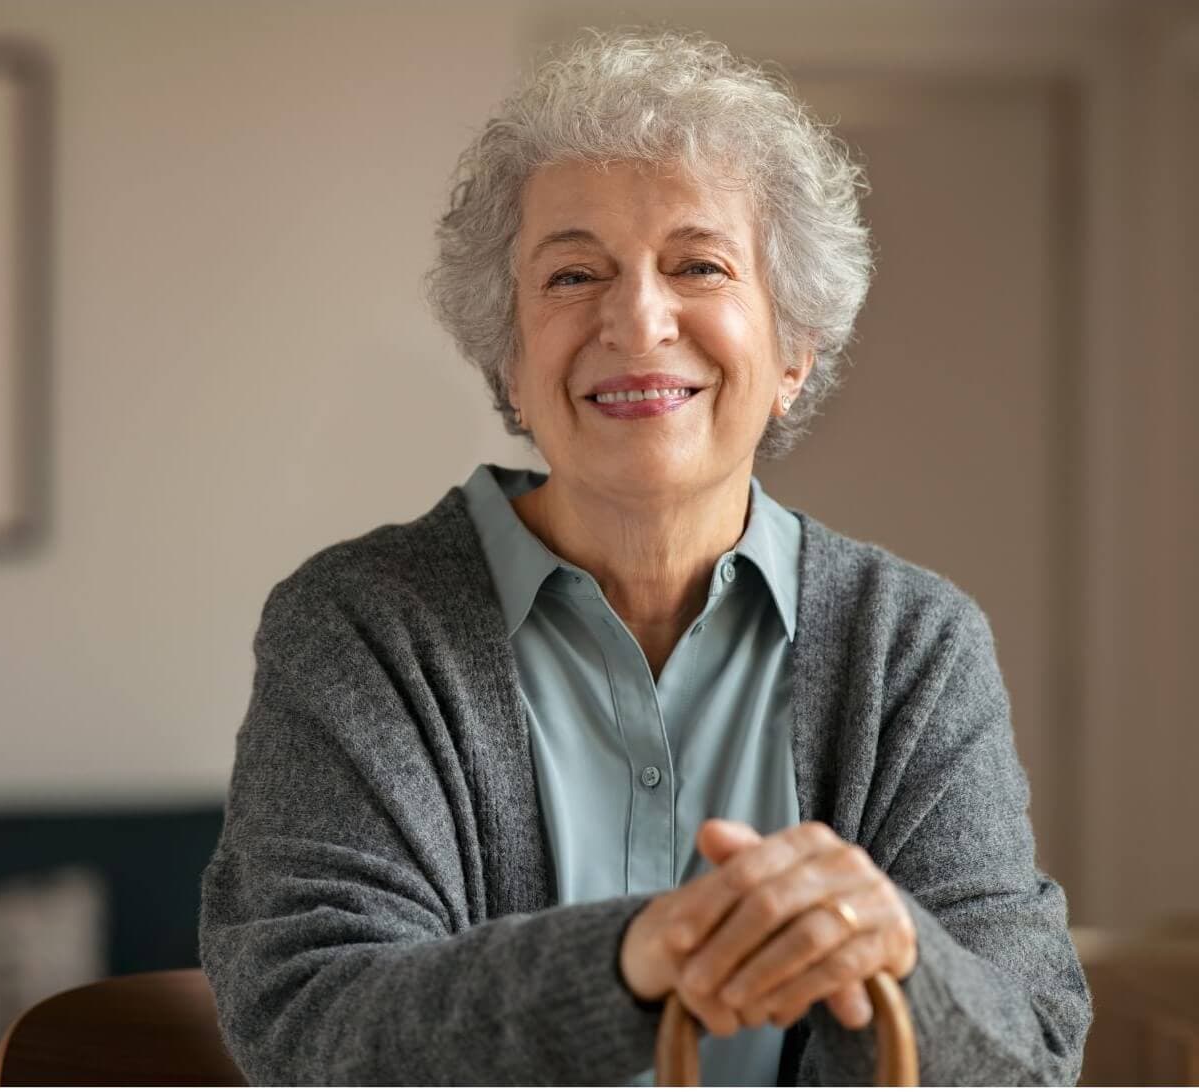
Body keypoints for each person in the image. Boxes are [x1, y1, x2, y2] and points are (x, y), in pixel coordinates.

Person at [199, 27, 1091, 1085]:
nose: (636, 318)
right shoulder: (355, 625)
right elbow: (314, 1029)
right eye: (573, 274)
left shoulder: (912, 643)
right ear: (510, 361)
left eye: (697, 265)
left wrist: (895, 954)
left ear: (793, 350)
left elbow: (1028, 1057)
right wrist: (630, 963)